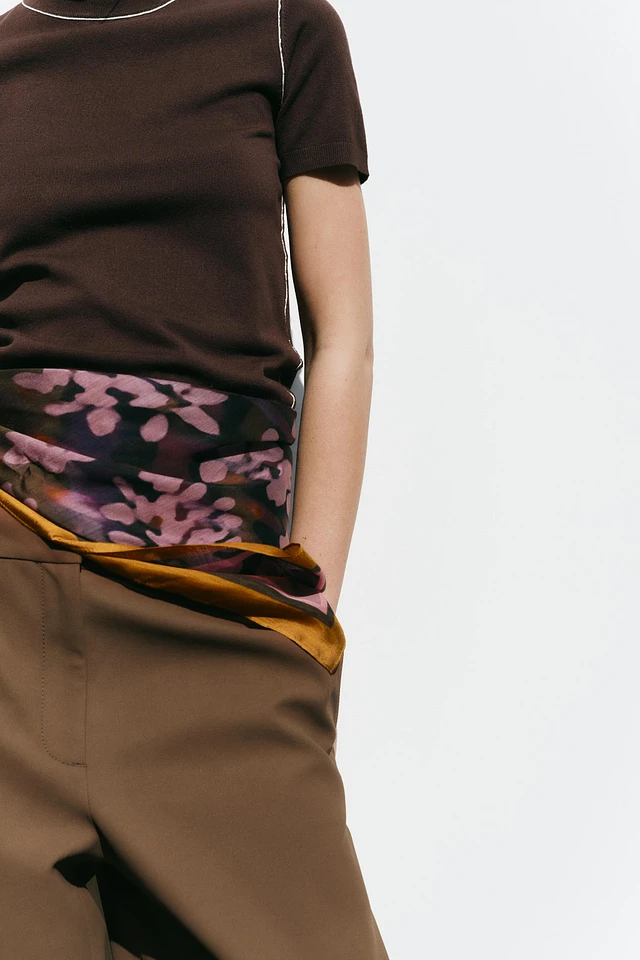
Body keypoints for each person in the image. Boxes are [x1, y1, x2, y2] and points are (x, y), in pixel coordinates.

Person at [0, 0, 388, 955]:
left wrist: (307, 607)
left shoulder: (282, 27)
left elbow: (344, 340)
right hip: (11, 607)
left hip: (218, 602)